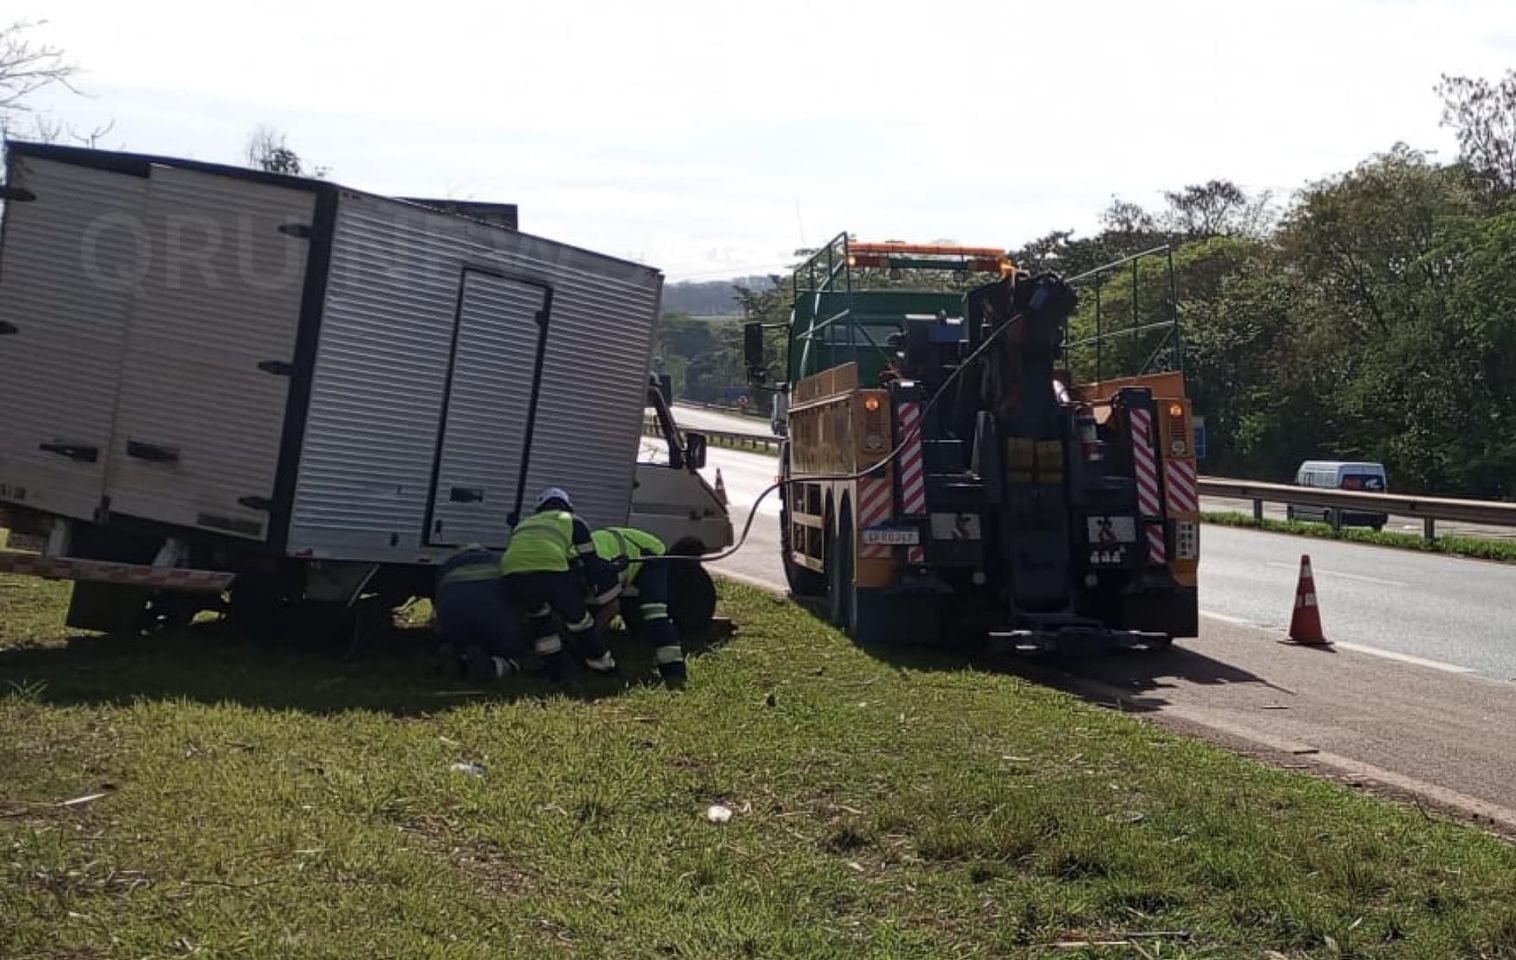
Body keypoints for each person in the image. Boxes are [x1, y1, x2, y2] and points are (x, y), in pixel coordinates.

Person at [499, 487, 617, 678]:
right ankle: (603, 667)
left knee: (540, 618)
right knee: (580, 622)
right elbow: (590, 561)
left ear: (539, 508)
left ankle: (555, 668)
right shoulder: (573, 521)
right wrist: (610, 570)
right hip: (550, 571)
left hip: (512, 573)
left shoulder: (525, 523)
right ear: (568, 506)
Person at [587, 526, 687, 683]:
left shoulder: (600, 573)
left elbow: (612, 608)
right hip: (617, 546)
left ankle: (674, 672)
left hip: (649, 554)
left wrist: (589, 637)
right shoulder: (572, 567)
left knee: (654, 612)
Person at [433, 544, 526, 682]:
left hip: (453, 617)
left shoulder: (448, 565)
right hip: (492, 619)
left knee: (460, 637)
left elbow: (440, 597)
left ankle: (457, 655)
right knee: (511, 653)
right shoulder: (500, 561)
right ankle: (495, 666)